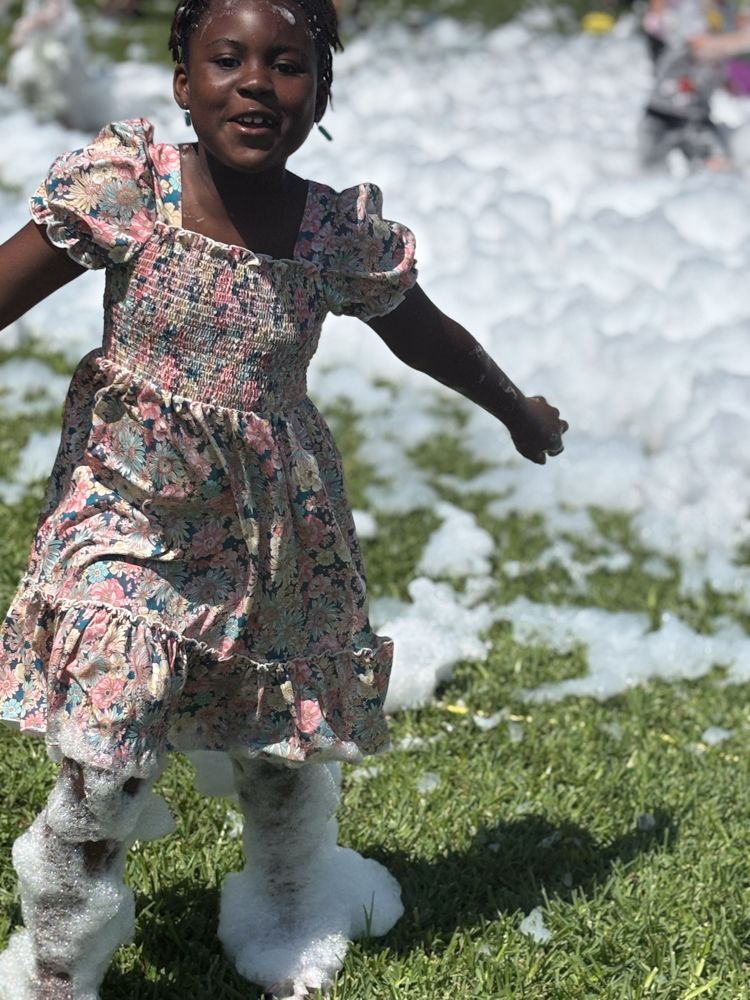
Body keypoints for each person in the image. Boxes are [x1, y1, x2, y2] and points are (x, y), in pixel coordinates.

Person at [0, 0, 568, 996]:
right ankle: (54, 964)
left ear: (320, 92)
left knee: (275, 736)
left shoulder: (330, 235)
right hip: (123, 515)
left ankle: (294, 894)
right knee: (103, 744)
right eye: (227, 59)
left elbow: (424, 334)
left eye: (289, 64)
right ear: (184, 80)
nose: (257, 81)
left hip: (269, 528)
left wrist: (514, 407)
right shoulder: (129, 191)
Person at [639, 0, 750, 168]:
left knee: (723, 175)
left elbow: (719, 60)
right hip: (661, 116)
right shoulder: (686, 9)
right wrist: (743, 39)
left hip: (699, 119)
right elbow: (701, 46)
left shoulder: (727, 11)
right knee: (647, 181)